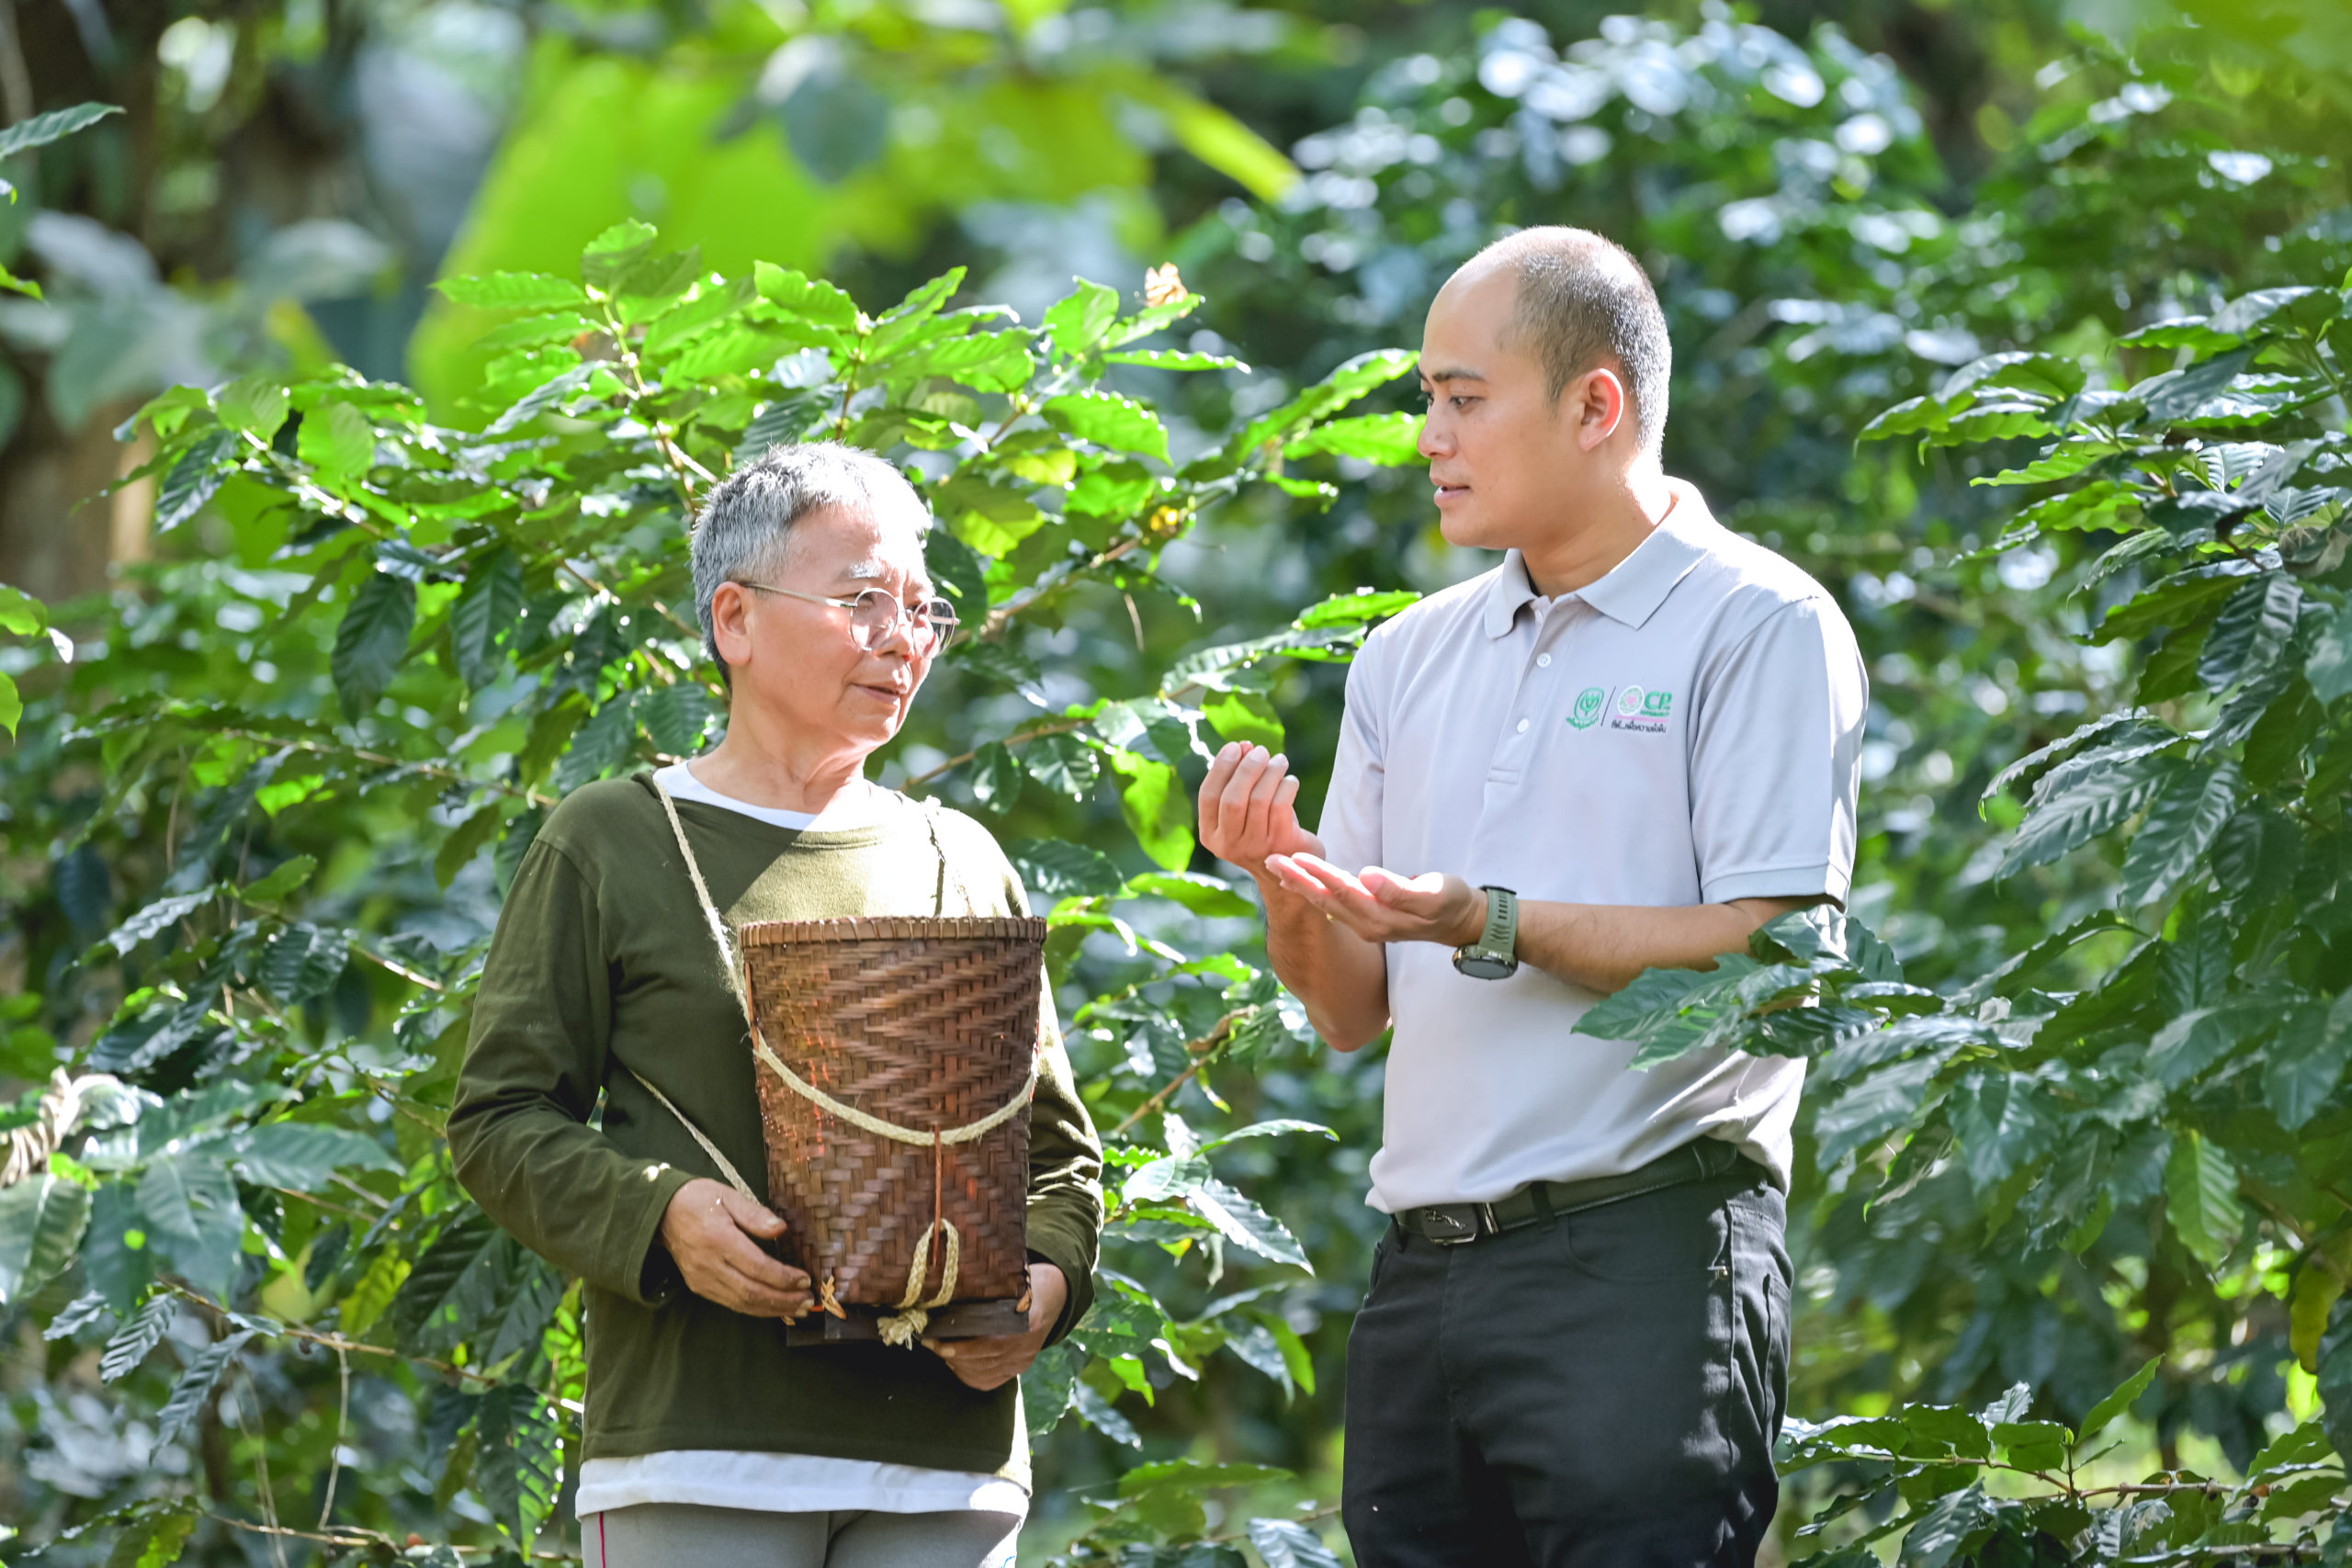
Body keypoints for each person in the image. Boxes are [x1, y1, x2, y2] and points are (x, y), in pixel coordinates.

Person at [1197, 227, 1866, 1566]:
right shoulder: (1406, 653)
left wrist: (1484, 918)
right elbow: (1348, 1012)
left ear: (1596, 405)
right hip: (1422, 1275)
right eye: (1426, 399)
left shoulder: (1760, 624)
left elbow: (1779, 961)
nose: (1428, 437)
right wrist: (1285, 883)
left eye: (1463, 398)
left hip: (1644, 1255)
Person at [449, 442, 1103, 1568]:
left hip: (946, 1470)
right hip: (698, 1455)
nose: (902, 639)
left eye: (921, 610)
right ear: (735, 620)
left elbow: (1054, 1160)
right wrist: (660, 1214)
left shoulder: (961, 859)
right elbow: (497, 1120)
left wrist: (1044, 1289)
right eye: (863, 601)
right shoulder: (611, 837)